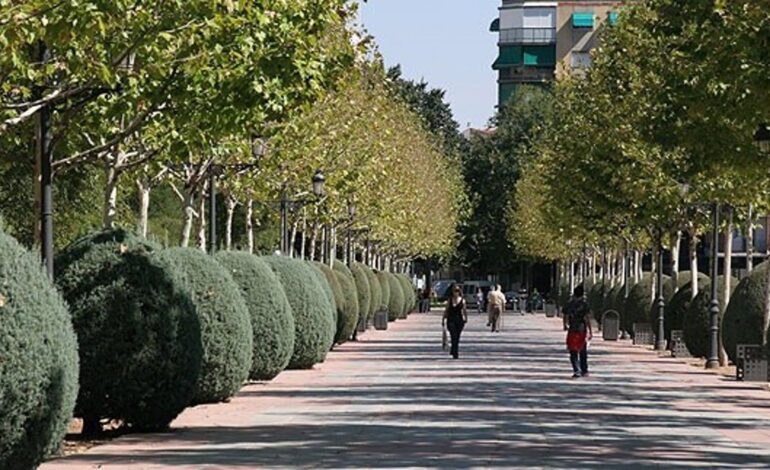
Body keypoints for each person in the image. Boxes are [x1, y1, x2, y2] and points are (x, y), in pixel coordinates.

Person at [563, 285, 592, 378]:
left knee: (573, 350)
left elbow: (565, 316)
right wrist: (590, 330)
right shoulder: (584, 305)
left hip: (572, 329)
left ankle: (576, 370)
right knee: (583, 350)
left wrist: (565, 325)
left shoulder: (569, 304)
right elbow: (587, 318)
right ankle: (584, 370)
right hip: (582, 329)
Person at [443, 285, 468, 359]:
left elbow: (464, 310)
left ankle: (453, 349)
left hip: (459, 320)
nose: (456, 292)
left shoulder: (462, 300)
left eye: (457, 291)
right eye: (454, 291)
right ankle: (455, 353)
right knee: (453, 335)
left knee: (457, 337)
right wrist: (443, 318)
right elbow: (446, 310)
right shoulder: (450, 300)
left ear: (459, 291)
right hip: (451, 320)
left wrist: (466, 318)